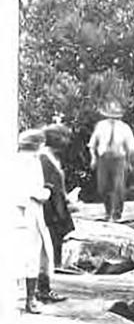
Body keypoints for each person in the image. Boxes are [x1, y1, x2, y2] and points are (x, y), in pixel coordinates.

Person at [15, 130, 53, 313]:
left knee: (19, 256)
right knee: (31, 257)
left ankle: (23, 298)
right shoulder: (32, 162)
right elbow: (34, 191)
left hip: (17, 213)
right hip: (29, 212)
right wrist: (46, 193)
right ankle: (30, 300)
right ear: (37, 145)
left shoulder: (12, 160)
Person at [37, 124, 74, 302]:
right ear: (57, 138)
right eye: (65, 137)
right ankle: (42, 289)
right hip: (48, 211)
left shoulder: (50, 157)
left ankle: (44, 287)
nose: (68, 141)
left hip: (55, 208)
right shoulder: (44, 158)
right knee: (46, 249)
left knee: (49, 250)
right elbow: (48, 186)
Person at [88, 100, 134, 221]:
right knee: (103, 187)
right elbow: (92, 144)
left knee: (118, 187)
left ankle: (117, 214)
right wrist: (93, 158)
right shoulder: (100, 126)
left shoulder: (125, 128)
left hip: (118, 159)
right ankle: (107, 211)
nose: (112, 119)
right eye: (110, 116)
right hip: (103, 159)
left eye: (115, 116)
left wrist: (130, 162)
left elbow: (131, 148)